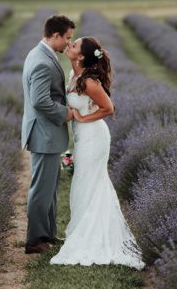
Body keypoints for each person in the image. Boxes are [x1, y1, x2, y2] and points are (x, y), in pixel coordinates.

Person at [49, 37, 144, 269]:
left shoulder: (89, 82)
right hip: (83, 137)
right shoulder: (74, 76)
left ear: (80, 56)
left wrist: (82, 117)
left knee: (89, 182)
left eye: (75, 45)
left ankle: (91, 236)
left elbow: (109, 108)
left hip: (94, 137)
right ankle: (84, 229)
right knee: (85, 183)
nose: (70, 45)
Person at [21, 14, 75, 255]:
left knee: (50, 187)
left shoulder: (40, 54)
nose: (69, 44)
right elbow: (40, 100)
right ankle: (35, 241)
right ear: (55, 35)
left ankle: (47, 234)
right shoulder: (42, 61)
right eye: (67, 38)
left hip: (46, 133)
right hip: (44, 134)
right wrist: (66, 114)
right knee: (42, 188)